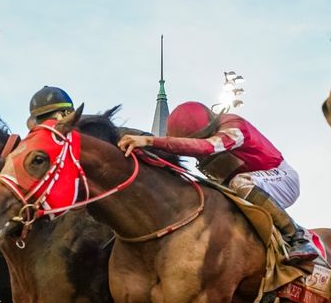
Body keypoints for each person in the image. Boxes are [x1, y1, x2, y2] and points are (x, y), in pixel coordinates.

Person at [118, 101, 319, 263]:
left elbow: (206, 147)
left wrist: (149, 141)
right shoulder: (212, 128)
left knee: (240, 182)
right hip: (248, 185)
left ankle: (297, 237)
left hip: (281, 178)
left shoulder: (235, 127)